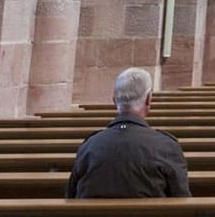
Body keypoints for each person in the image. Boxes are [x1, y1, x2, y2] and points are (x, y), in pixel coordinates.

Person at [66, 67, 189, 198]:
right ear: (148, 99)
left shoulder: (89, 145)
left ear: (114, 100)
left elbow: (71, 196)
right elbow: (181, 200)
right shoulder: (167, 146)